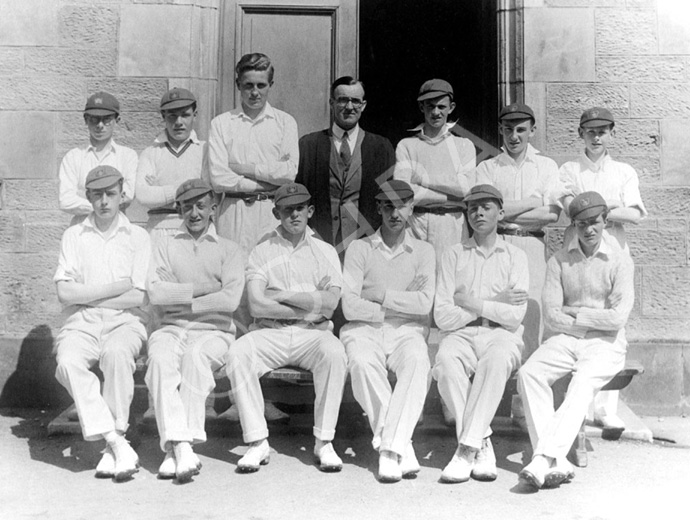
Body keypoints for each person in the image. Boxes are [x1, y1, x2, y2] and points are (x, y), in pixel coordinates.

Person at [225, 182, 348, 473]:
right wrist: (309, 302)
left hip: (312, 334)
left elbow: (330, 305)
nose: (294, 215)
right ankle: (257, 441)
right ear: (276, 212)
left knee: (334, 353)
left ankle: (323, 441)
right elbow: (257, 305)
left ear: (310, 211)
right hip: (271, 332)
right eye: (287, 210)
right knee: (239, 353)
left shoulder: (325, 250)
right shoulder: (262, 250)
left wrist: (280, 294)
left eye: (300, 208)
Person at [517, 191, 634, 490]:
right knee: (530, 374)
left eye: (595, 222)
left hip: (606, 345)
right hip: (567, 338)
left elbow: (618, 319)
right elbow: (553, 316)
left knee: (582, 383)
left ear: (606, 221)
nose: (589, 229)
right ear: (573, 225)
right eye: (581, 224)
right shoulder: (558, 260)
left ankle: (544, 458)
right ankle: (557, 460)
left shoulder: (621, 260)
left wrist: (576, 312)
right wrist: (589, 319)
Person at [53, 165, 150, 481]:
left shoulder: (137, 236)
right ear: (88, 197)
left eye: (111, 194)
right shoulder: (74, 235)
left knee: (116, 355)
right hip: (82, 322)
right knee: (67, 362)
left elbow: (137, 297)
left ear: (122, 195)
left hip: (126, 321)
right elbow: (64, 293)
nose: (105, 202)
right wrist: (114, 287)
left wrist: (86, 295)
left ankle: (114, 441)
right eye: (97, 195)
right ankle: (115, 441)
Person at [145, 179, 245, 482]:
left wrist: (181, 299)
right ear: (179, 209)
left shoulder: (230, 249)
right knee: (160, 360)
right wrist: (204, 291)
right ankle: (181, 444)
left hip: (214, 331)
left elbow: (229, 300)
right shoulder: (164, 245)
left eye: (201, 205)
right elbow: (157, 294)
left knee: (195, 357)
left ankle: (175, 447)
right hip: (171, 327)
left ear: (213, 208)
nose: (194, 213)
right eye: (187, 206)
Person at [433, 184, 529, 483]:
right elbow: (443, 315)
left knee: (497, 360)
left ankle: (465, 451)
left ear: (500, 213)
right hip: (461, 334)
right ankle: (482, 441)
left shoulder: (516, 256)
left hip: (502, 334)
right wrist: (493, 302)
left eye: (485, 207)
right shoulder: (453, 254)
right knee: (445, 363)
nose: (478, 213)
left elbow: (514, 315)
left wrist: (470, 302)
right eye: (472, 208)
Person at [340, 180, 435, 482]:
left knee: (419, 362)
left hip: (407, 331)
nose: (395, 213)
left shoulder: (424, 251)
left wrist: (378, 293)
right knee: (361, 363)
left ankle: (388, 445)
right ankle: (398, 446)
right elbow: (350, 307)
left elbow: (423, 305)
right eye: (389, 206)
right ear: (379, 208)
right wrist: (401, 299)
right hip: (364, 329)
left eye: (402, 206)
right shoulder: (359, 248)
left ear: (411, 209)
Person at [559, 107, 647, 431]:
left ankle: (606, 408)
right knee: (580, 314)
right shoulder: (569, 169)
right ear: (580, 133)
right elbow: (568, 206)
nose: (596, 137)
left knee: (612, 321)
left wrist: (601, 207)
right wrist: (609, 206)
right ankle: (579, 405)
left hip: (614, 253)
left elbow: (636, 213)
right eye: (590, 131)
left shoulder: (624, 171)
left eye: (602, 131)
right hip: (579, 251)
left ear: (612, 133)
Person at [473, 103, 563, 359]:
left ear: (532, 131)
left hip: (533, 245)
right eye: (508, 129)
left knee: (532, 309)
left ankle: (530, 376)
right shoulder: (487, 168)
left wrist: (502, 210)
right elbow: (485, 213)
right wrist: (533, 201)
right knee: (499, 308)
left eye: (521, 130)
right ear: (500, 129)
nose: (514, 137)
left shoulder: (546, 166)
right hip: (498, 244)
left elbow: (551, 214)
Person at [207, 52, 298, 253]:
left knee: (270, 274)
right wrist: (266, 183)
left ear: (270, 85)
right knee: (233, 273)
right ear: (238, 84)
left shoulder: (285, 123)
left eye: (261, 85)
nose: (255, 92)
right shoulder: (221, 124)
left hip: (271, 211)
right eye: (248, 85)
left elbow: (289, 173)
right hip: (233, 211)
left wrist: (243, 169)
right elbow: (219, 178)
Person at [296, 76, 395, 258]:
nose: (349, 107)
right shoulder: (309, 145)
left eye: (355, 101)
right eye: (342, 100)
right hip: (319, 244)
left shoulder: (381, 147)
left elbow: (388, 201)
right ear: (331, 103)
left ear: (363, 105)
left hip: (366, 245)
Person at [393, 79, 475, 264]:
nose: (436, 112)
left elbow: (466, 188)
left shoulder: (464, 145)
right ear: (421, 107)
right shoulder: (407, 145)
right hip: (416, 222)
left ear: (451, 107)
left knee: (450, 283)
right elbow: (404, 192)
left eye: (441, 106)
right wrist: (451, 196)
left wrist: (422, 178)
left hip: (452, 223)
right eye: (430, 106)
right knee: (417, 281)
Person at [135, 88, 208, 245]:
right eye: (172, 116)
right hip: (158, 228)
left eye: (185, 115)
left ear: (195, 115)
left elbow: (211, 193)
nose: (179, 122)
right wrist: (188, 189)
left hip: (196, 228)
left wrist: (160, 190)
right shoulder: (150, 153)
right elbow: (143, 195)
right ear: (163, 117)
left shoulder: (204, 149)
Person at [58, 92, 137, 222]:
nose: (100, 125)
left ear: (117, 120)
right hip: (83, 229)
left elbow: (127, 196)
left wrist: (86, 200)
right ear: (85, 120)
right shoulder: (73, 156)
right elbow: (65, 200)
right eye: (94, 119)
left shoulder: (127, 156)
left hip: (116, 227)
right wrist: (107, 203)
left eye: (106, 119)